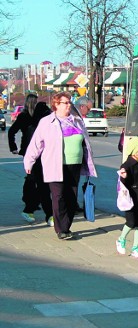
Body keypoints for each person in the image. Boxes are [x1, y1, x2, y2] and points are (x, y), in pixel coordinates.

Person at [23, 92, 97, 240]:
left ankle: (67, 226)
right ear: (56, 104)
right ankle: (61, 229)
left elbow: (85, 142)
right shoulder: (47, 122)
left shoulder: (77, 120)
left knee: (71, 197)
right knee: (59, 196)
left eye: (69, 102)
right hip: (55, 164)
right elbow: (36, 143)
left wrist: (89, 161)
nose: (69, 105)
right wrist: (29, 160)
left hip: (74, 164)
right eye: (65, 102)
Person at [9, 95, 53, 225]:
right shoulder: (39, 117)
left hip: (31, 151)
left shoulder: (28, 116)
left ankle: (31, 205)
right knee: (38, 180)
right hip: (34, 152)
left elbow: (12, 131)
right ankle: (32, 206)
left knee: (33, 179)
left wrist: (14, 147)